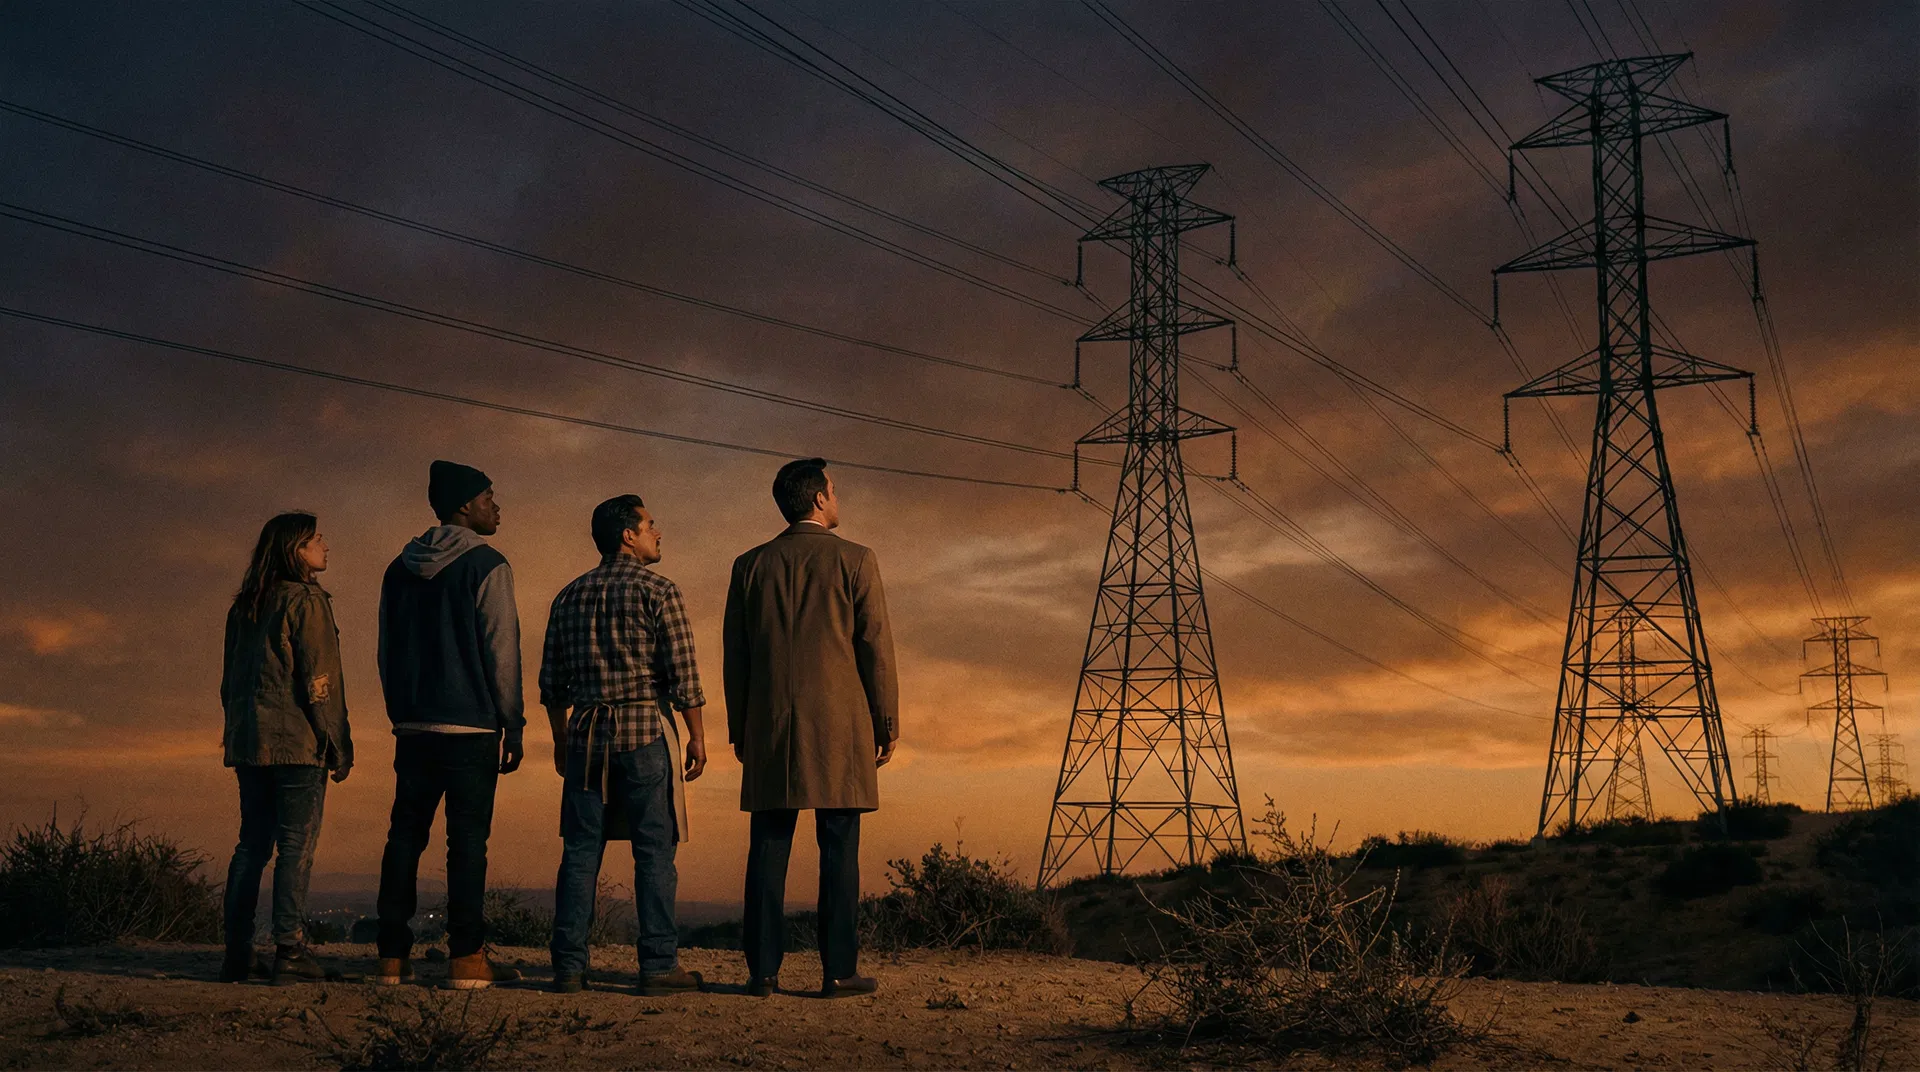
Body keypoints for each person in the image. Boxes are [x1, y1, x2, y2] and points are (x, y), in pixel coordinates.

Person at [724, 458, 899, 998]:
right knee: (840, 849)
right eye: (835, 488)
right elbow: (875, 648)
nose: (838, 496)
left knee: (768, 846)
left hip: (770, 725)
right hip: (841, 727)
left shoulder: (749, 565)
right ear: (819, 499)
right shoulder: (856, 560)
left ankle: (763, 973)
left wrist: (740, 729)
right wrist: (886, 720)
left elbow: (737, 657)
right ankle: (838, 972)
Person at [540, 494, 710, 996]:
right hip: (643, 731)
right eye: (651, 525)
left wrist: (558, 740)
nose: (659, 533)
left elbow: (552, 685)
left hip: (586, 733)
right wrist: (697, 734)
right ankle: (658, 965)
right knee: (654, 850)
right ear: (627, 536)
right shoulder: (659, 590)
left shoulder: (568, 596)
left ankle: (568, 966)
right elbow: (684, 675)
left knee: (580, 851)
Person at [373, 460, 525, 989]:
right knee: (467, 845)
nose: (496, 506)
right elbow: (501, 651)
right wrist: (514, 722)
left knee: (403, 838)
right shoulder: (488, 564)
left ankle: (390, 957)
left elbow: (385, 650)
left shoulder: (397, 568)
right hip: (470, 730)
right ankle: (466, 959)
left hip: (413, 727)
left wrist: (401, 711)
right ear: (464, 506)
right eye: (488, 497)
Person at [218, 511, 353, 986]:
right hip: (297, 741)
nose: (326, 544)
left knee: (251, 845)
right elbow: (320, 681)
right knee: (296, 845)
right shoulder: (307, 600)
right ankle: (289, 950)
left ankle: (237, 952)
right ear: (296, 549)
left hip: (250, 740)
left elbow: (229, 679)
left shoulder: (245, 606)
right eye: (317, 538)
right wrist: (338, 742)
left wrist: (237, 730)